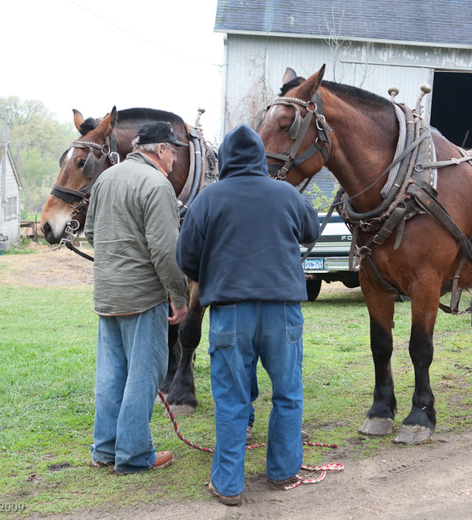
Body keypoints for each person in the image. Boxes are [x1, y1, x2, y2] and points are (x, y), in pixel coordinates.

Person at [177, 124, 319, 505]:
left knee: (231, 399)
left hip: (230, 313)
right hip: (284, 311)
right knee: (288, 393)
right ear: (259, 157)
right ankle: (284, 470)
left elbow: (185, 258)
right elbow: (312, 231)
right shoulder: (286, 193)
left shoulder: (208, 199)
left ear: (223, 160)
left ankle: (228, 485)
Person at [85, 121, 189, 474]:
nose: (175, 158)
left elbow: (90, 232)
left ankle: (104, 450)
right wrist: (179, 295)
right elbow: (164, 249)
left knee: (111, 374)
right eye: (173, 150)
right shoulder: (157, 185)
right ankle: (133, 455)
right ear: (159, 149)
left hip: (107, 294)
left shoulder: (105, 179)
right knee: (145, 374)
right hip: (144, 296)